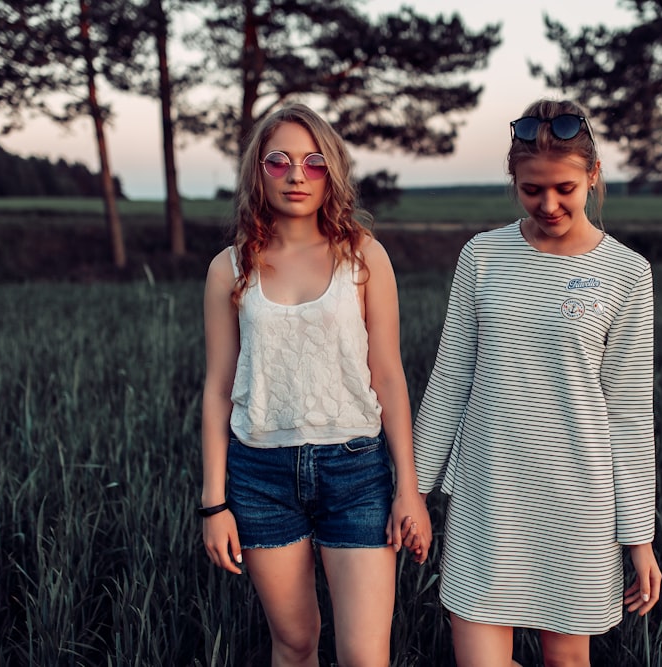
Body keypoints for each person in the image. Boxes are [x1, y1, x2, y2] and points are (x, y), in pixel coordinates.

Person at [412, 98, 662, 667]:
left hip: (578, 503)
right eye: (532, 190)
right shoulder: (482, 256)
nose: (548, 203)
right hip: (488, 495)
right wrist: (416, 491)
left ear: (593, 176)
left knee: (567, 661)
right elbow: (451, 376)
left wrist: (639, 540)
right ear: (514, 181)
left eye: (565, 188)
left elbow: (628, 417)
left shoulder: (628, 273)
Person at [199, 102, 432, 666]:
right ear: (258, 171)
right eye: (278, 161)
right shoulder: (230, 267)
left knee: (363, 656)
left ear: (331, 172)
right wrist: (214, 503)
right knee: (296, 643)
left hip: (357, 471)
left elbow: (390, 376)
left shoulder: (364, 257)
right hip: (260, 478)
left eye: (313, 162)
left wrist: (409, 488)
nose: (296, 175)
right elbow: (216, 389)